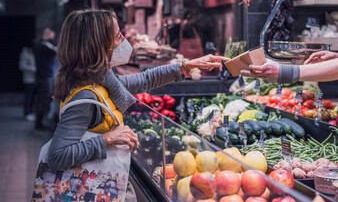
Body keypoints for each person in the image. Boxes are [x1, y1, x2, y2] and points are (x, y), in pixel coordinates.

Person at [47, 10, 228, 201]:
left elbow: (144, 79)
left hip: (106, 183)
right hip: (94, 189)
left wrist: (188, 66)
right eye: (118, 36)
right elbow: (57, 156)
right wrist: (107, 138)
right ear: (98, 45)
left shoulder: (101, 80)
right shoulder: (84, 95)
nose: (124, 40)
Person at [34, 28, 57, 130]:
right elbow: (57, 51)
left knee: (42, 100)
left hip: (43, 76)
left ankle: (39, 123)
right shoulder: (44, 46)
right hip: (45, 77)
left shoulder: (40, 45)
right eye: (52, 36)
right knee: (43, 100)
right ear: (48, 36)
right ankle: (39, 124)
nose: (53, 39)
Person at [19, 45, 36, 121]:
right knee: (28, 96)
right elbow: (22, 66)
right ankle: (27, 113)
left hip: (34, 78)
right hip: (28, 78)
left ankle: (30, 111)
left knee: (32, 96)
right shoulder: (24, 53)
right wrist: (33, 69)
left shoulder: (32, 52)